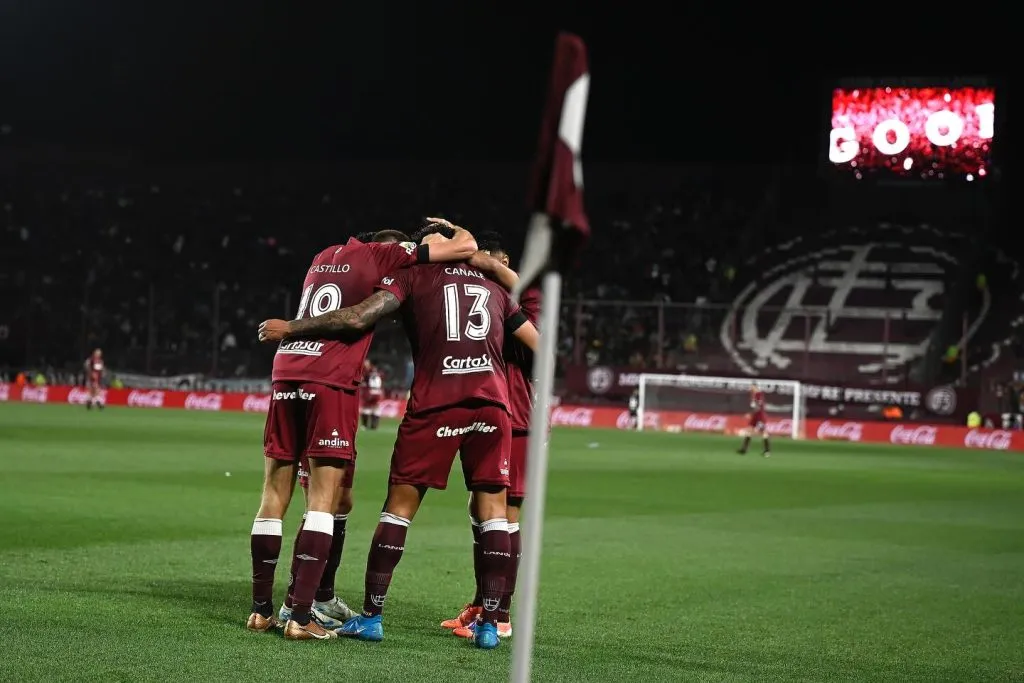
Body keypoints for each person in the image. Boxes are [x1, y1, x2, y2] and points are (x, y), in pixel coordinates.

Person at [258, 224, 539, 650]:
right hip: (493, 405)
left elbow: (362, 314)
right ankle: (491, 624)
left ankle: (371, 617)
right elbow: (539, 342)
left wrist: (293, 327)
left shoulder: (411, 275)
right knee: (494, 514)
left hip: (436, 402)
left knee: (398, 511)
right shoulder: (495, 289)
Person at [437, 232, 541, 640]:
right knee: (482, 511)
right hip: (494, 414)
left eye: (483, 262)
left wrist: (488, 265)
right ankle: (484, 603)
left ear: (504, 261)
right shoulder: (487, 298)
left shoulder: (528, 296)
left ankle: (500, 615)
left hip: (518, 417)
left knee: (505, 516)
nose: (476, 270)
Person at [737, 383, 770, 457]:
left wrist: (750, 414)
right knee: (749, 430)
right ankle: (744, 449)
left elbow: (758, 407)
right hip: (755, 416)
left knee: (763, 432)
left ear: (755, 387)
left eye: (752, 387)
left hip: (760, 416)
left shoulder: (759, 394)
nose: (751, 389)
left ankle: (767, 451)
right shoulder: (754, 395)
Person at [360, 360, 384, 430]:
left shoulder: (367, 373)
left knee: (366, 408)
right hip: (378, 392)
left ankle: (365, 425)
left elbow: (363, 381)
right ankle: (374, 426)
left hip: (370, 392)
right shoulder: (379, 373)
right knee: (375, 408)